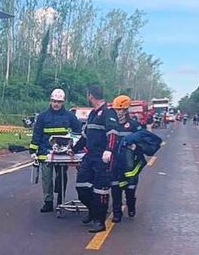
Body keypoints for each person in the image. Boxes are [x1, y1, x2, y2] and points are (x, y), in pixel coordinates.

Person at [72, 85, 121, 233]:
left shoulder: (108, 113)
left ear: (90, 96)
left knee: (100, 191)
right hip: (90, 157)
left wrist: (109, 150)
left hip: (102, 158)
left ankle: (99, 221)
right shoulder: (93, 114)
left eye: (88, 96)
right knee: (82, 187)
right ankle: (93, 211)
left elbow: (113, 133)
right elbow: (86, 136)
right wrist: (73, 149)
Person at [30, 88, 82, 213]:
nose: (56, 104)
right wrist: (33, 151)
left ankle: (61, 199)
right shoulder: (43, 117)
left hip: (63, 152)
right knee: (47, 178)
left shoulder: (70, 116)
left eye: (59, 102)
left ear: (63, 102)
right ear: (50, 101)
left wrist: (72, 145)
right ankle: (48, 202)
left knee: (61, 177)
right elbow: (37, 134)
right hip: (45, 152)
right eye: (54, 101)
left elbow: (78, 131)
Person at [108, 95, 142, 223]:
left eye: (120, 110)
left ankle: (131, 205)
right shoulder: (111, 124)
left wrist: (135, 146)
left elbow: (142, 141)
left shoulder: (134, 125)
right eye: (116, 110)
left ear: (126, 110)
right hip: (115, 162)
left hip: (130, 163)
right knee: (115, 187)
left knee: (130, 189)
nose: (117, 112)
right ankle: (117, 213)